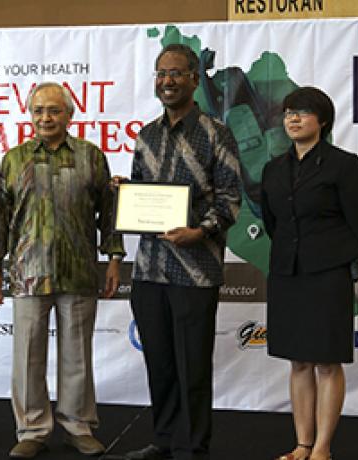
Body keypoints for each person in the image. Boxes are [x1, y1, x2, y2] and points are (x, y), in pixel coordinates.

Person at [0, 82, 124, 459]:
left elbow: (109, 214)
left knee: (77, 353)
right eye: (39, 110)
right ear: (30, 115)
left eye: (54, 110)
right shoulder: (14, 159)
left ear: (69, 114)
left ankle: (78, 426)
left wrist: (112, 258)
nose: (46, 117)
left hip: (78, 270)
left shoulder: (91, 156)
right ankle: (31, 428)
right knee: (27, 355)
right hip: (28, 272)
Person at [121, 44, 241, 460]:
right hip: (149, 270)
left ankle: (193, 446)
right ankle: (165, 439)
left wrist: (199, 231)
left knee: (192, 365)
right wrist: (127, 197)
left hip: (195, 270)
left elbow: (229, 199)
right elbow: (139, 193)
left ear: (193, 78)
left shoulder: (215, 133)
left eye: (175, 73)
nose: (167, 81)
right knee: (160, 361)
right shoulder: (146, 135)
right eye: (160, 74)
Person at [259, 87, 358, 460]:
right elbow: (273, 222)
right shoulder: (274, 168)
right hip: (287, 272)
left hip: (328, 273)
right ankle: (301, 444)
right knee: (299, 360)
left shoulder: (345, 164)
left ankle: (323, 447)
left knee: (326, 360)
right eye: (289, 112)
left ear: (322, 121)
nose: (293, 118)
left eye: (303, 112)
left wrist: (339, 260)